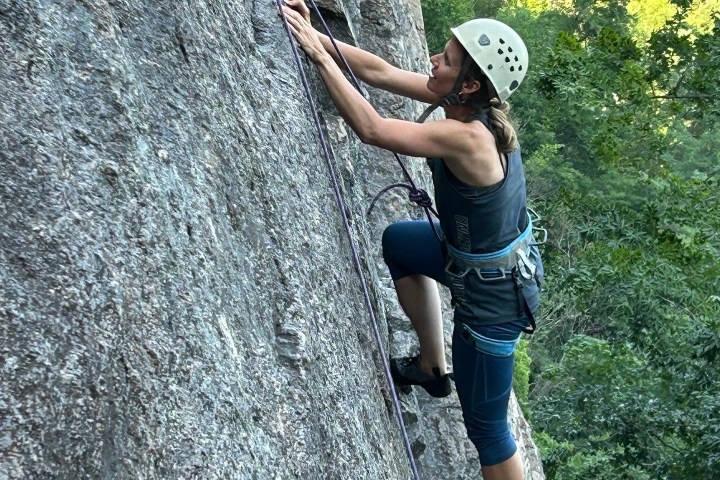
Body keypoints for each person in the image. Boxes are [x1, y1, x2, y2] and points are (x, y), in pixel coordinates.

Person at [281, 2, 543, 479]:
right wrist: (317, 35)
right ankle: (430, 367)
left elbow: (372, 129)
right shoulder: (461, 102)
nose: (432, 61)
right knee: (400, 243)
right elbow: (378, 72)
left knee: (487, 430)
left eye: (445, 58)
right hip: (475, 264)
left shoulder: (470, 138)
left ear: (468, 83)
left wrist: (316, 58)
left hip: (492, 302)